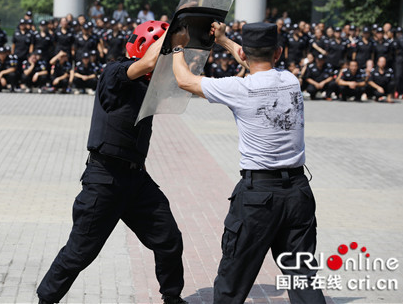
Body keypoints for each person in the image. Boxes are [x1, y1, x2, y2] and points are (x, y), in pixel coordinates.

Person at [172, 21, 326, 304]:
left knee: (232, 281)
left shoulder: (238, 88)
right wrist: (225, 41)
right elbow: (254, 61)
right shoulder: (291, 81)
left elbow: (185, 80)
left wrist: (177, 45)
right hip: (298, 193)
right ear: (278, 53)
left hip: (258, 198)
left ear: (245, 54)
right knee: (302, 278)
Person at [37, 20, 186, 304]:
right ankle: (46, 299)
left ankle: (172, 297)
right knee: (79, 252)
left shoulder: (149, 84)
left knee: (168, 239)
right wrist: (175, 36)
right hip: (104, 178)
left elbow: (185, 79)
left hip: (136, 180)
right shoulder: (115, 72)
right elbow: (150, 59)